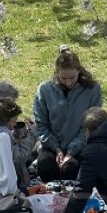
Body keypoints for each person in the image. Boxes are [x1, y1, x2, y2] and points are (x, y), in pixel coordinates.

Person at [32, 47, 102, 181]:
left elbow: (91, 126)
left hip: (79, 145)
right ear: (56, 72)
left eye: (72, 78)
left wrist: (71, 152)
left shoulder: (92, 89)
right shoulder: (45, 89)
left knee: (70, 168)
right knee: (46, 166)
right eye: (63, 78)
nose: (68, 82)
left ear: (79, 71)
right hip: (51, 145)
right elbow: (41, 124)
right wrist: (56, 148)